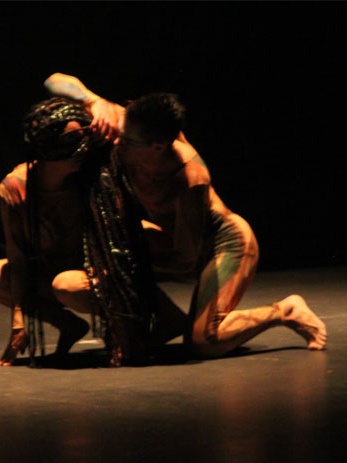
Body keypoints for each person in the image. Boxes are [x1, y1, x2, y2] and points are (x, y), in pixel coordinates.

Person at [43, 73, 327, 357]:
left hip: (223, 244)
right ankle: (168, 322)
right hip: (171, 239)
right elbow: (54, 81)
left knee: (204, 341)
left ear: (157, 147)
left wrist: (121, 264)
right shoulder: (130, 124)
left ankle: (284, 311)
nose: (117, 142)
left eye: (127, 140)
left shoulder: (189, 178)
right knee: (73, 285)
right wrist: (94, 101)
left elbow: (186, 260)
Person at [0, 96, 155, 366]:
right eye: (71, 141)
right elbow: (18, 258)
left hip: (93, 275)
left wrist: (97, 104)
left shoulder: (91, 179)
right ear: (47, 147)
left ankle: (124, 324)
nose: (81, 149)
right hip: (50, 271)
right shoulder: (17, 187)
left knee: (67, 284)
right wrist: (18, 322)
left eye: (83, 139)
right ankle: (69, 325)